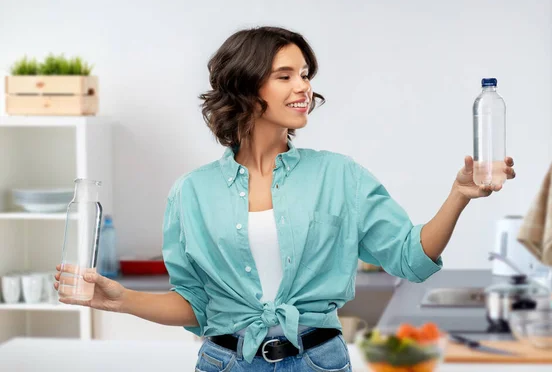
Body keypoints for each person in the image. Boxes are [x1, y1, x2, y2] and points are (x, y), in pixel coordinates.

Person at [55, 26, 516, 371]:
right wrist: (119, 299)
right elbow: (195, 306)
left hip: (319, 361)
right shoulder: (191, 193)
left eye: (306, 74)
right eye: (285, 75)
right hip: (225, 362)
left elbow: (409, 257)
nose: (304, 87)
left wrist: (459, 195)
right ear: (247, 87)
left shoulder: (339, 175)